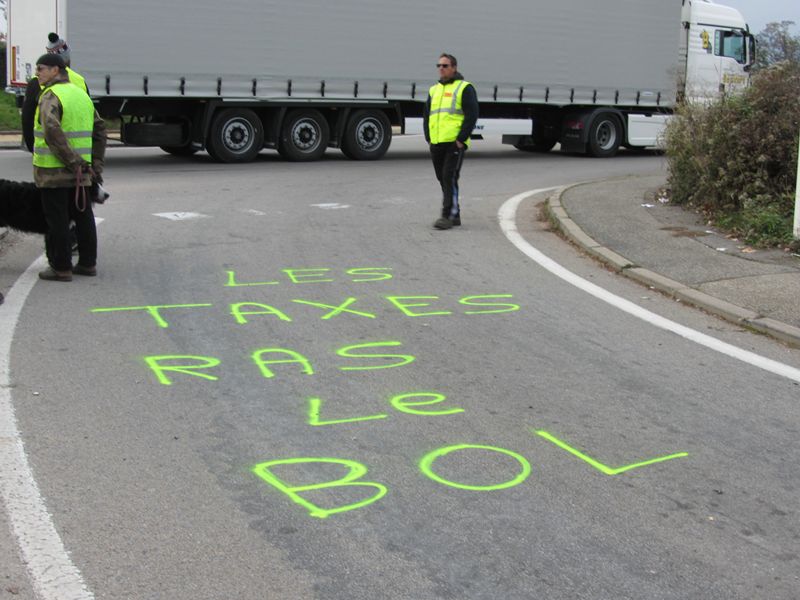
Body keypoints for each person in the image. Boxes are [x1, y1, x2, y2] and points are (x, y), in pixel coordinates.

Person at [32, 53, 106, 282]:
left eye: (41, 68)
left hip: (54, 171)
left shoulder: (50, 96)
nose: (37, 73)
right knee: (84, 217)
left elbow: (52, 131)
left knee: (57, 220)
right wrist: (94, 165)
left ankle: (61, 267)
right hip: (82, 173)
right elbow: (100, 130)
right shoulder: (81, 96)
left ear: (56, 70)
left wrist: (73, 161)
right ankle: (87, 264)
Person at [423, 53, 479, 230]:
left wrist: (461, 140)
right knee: (443, 178)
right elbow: (427, 115)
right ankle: (455, 213)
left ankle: (447, 216)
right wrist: (429, 137)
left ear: (454, 68)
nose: (441, 68)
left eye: (445, 65)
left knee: (449, 176)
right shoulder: (434, 90)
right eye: (439, 65)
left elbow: (472, 114)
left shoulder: (464, 88)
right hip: (437, 142)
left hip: (454, 143)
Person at [22, 33, 88, 153]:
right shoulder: (80, 80)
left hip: (48, 152)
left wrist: (32, 146)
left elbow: (27, 118)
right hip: (79, 150)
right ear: (67, 58)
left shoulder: (36, 81)